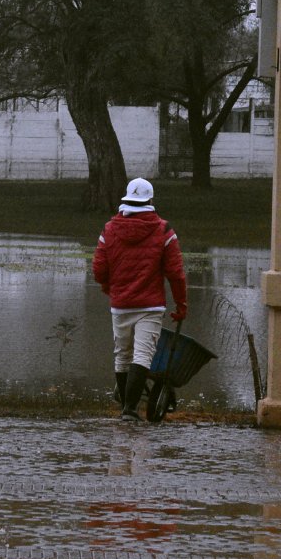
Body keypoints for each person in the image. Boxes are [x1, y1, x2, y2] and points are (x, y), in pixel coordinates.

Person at [92, 177, 188, 421]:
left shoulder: (109, 229)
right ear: (150, 200)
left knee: (122, 354)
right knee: (143, 355)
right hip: (150, 306)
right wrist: (181, 304)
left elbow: (99, 269)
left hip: (120, 305)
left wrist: (110, 288)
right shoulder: (164, 231)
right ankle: (129, 410)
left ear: (127, 198)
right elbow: (176, 274)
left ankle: (127, 409)